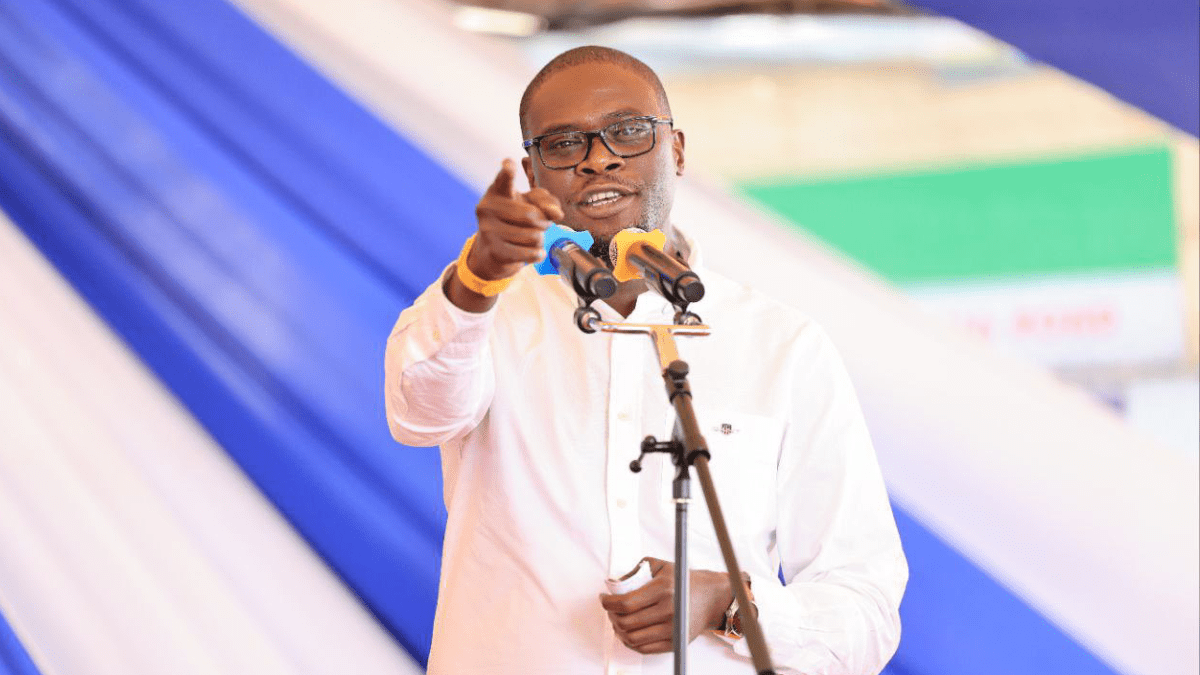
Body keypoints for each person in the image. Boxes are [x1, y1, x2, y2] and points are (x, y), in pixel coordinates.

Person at [385, 46, 907, 675]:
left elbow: (866, 612)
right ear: (533, 172)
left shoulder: (781, 345)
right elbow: (419, 415)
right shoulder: (484, 312)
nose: (597, 158)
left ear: (677, 150)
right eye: (563, 143)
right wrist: (478, 278)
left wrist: (730, 603)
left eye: (628, 132)